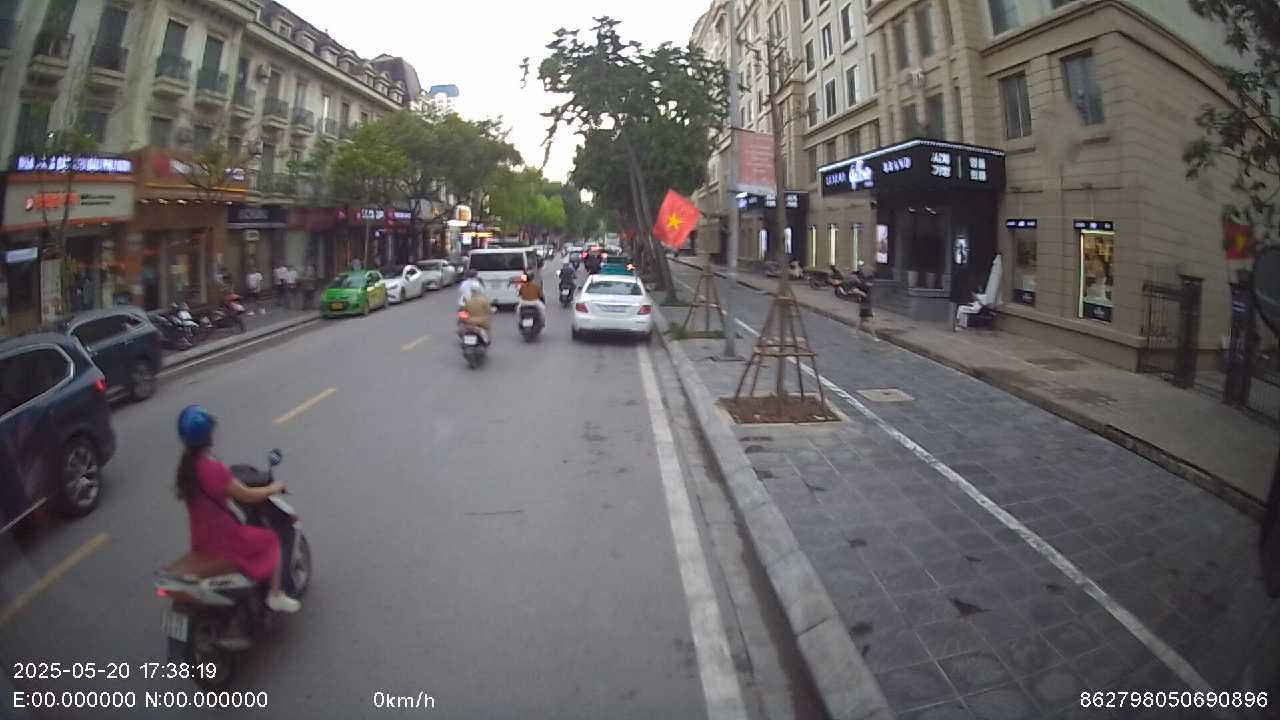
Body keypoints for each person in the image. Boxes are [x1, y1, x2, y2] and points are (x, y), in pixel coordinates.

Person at [174, 405, 300, 614]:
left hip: (200, 537)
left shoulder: (186, 467)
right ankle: (275, 594)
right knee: (271, 540)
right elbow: (247, 495)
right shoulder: (212, 469)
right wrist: (273, 488)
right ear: (208, 435)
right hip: (224, 538)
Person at [458, 282, 492, 346]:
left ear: (471, 291)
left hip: (470, 321)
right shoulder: (484, 301)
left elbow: (464, 311)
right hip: (482, 322)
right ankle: (485, 340)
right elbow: (488, 310)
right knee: (487, 331)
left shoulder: (468, 301)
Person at [851, 261, 877, 340]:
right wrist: (862, 293)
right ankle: (874, 337)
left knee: (862, 321)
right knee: (869, 321)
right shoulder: (861, 283)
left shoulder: (866, 281)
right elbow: (854, 290)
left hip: (867, 304)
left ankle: (855, 333)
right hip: (864, 304)